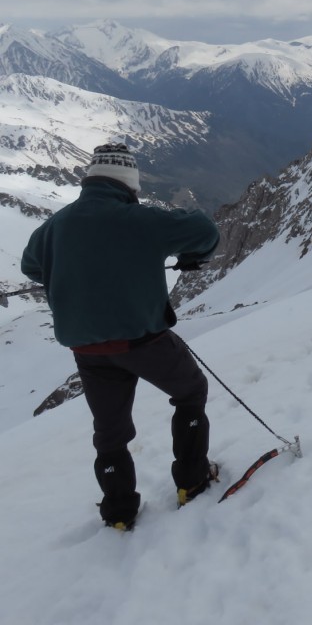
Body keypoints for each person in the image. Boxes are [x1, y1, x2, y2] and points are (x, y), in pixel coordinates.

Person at [21, 143, 221, 530]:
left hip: (87, 349)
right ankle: (192, 482)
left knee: (110, 431)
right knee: (190, 391)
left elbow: (33, 266)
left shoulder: (54, 226)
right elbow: (205, 231)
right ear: (129, 184)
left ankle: (119, 513)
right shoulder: (140, 219)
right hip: (143, 341)